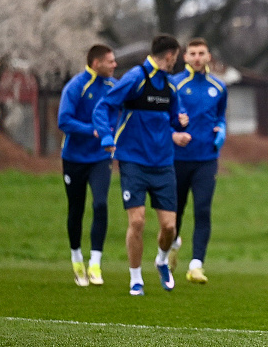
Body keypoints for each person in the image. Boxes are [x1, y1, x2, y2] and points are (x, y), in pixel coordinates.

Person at [93, 34, 190, 297]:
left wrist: (180, 128)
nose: (177, 62)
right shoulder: (135, 78)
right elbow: (103, 107)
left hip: (163, 163)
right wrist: (106, 136)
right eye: (177, 57)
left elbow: (174, 121)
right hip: (133, 161)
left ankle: (160, 260)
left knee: (170, 227)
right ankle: (135, 278)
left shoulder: (170, 87)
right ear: (169, 55)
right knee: (137, 222)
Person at [57, 44, 117, 286]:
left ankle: (95, 263)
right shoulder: (76, 86)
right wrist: (93, 131)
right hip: (74, 158)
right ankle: (76, 258)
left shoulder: (115, 87)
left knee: (101, 204)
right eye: (110, 61)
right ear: (96, 63)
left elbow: (121, 114)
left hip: (101, 158)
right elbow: (64, 120)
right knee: (76, 209)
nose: (114, 65)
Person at [169, 38, 228, 284]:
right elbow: (161, 118)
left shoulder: (219, 86)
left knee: (202, 210)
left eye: (201, 53)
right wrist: (174, 132)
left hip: (206, 159)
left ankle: (196, 265)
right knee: (175, 212)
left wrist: (221, 130)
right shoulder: (173, 84)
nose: (196, 57)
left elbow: (221, 117)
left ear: (208, 56)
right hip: (176, 159)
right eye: (191, 53)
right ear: (185, 57)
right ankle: (171, 247)